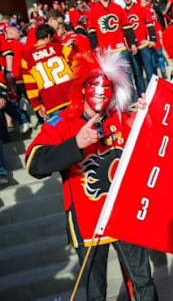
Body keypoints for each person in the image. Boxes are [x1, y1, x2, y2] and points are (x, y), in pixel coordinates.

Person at [25, 50, 158, 301]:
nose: (99, 90)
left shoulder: (123, 118)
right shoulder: (62, 123)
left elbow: (154, 146)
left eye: (106, 85)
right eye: (93, 83)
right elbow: (34, 162)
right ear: (82, 87)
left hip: (124, 217)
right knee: (96, 293)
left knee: (142, 282)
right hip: (86, 224)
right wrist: (74, 144)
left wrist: (147, 116)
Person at [21, 24, 73, 119]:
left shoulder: (26, 58)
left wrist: (37, 106)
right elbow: (77, 65)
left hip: (51, 102)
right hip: (71, 96)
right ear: (49, 36)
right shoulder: (60, 48)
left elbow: (30, 85)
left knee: (61, 132)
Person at [120, 0, 157, 95]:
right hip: (132, 47)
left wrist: (152, 38)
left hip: (143, 45)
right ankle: (142, 95)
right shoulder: (122, 12)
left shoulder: (140, 8)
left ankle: (154, 94)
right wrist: (128, 45)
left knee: (150, 71)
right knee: (137, 73)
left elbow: (150, 23)